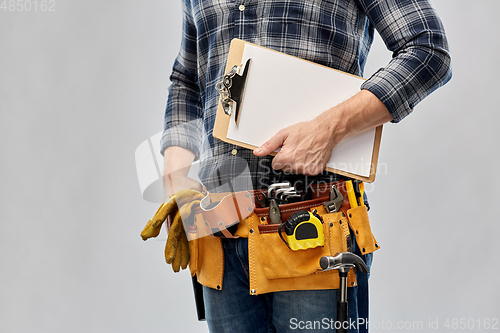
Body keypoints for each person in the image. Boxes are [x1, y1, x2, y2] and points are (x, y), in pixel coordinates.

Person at [160, 0, 452, 332]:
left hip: (313, 230)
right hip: (219, 235)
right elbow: (186, 79)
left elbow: (428, 50)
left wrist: (328, 128)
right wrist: (176, 179)